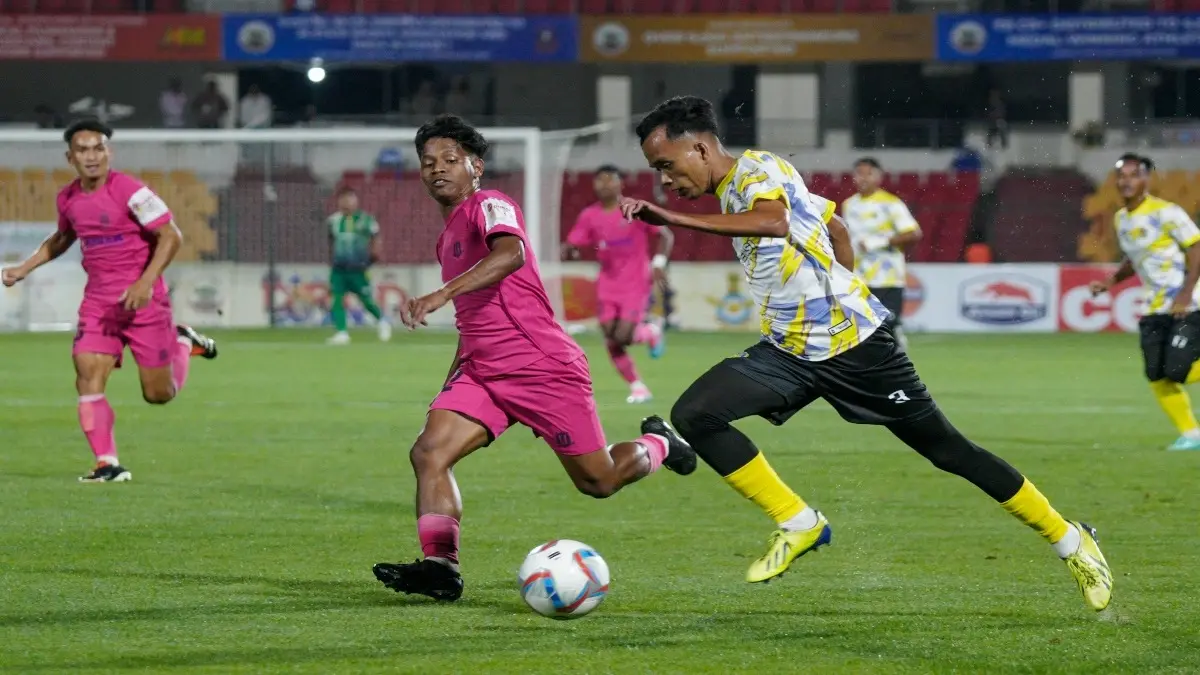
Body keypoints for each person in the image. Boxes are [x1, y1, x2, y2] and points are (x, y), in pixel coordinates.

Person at [623, 96, 1112, 611]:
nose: (665, 181)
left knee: (948, 451)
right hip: (791, 350)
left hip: (857, 350)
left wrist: (667, 217)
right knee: (697, 414)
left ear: (698, 147)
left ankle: (1071, 539)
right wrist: (845, 281)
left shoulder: (755, 171)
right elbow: (835, 227)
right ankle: (798, 522)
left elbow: (772, 223)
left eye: (666, 166)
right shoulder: (740, 186)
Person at [371, 115, 697, 602]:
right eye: (428, 163)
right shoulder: (447, 238)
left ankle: (659, 444)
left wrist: (439, 294)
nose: (437, 169)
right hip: (483, 372)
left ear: (476, 166)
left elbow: (511, 255)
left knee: (599, 481)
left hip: (541, 366)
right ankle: (441, 567)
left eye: (449, 160)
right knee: (429, 453)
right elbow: (474, 318)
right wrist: (451, 381)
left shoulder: (491, 204)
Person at [0, 118, 218, 482]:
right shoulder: (68, 198)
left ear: (108, 152)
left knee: (158, 394)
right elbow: (63, 237)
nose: (91, 156)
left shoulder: (132, 192)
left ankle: (183, 342)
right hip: (100, 304)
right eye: (83, 150)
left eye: (98, 148)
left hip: (145, 302)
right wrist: (25, 267)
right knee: (87, 374)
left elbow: (171, 236)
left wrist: (145, 283)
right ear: (70, 157)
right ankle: (107, 463)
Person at [1090, 153, 1200, 451]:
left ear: (1146, 179)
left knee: (1178, 371)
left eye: (1133, 175)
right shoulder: (1122, 218)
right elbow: (1134, 258)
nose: (1126, 181)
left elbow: (1196, 246)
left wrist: (1187, 293)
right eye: (1121, 176)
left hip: (1185, 303)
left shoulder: (1166, 212)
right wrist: (1109, 282)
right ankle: (1192, 434)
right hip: (1153, 305)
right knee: (1156, 374)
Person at [563, 164, 673, 403]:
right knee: (610, 337)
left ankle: (651, 332)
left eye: (610, 179)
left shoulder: (634, 209)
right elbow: (573, 243)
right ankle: (638, 386)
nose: (604, 184)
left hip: (635, 282)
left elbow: (665, 235)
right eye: (599, 180)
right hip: (607, 283)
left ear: (621, 183)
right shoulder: (589, 215)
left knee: (622, 335)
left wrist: (659, 262)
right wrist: (569, 250)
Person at [841, 157, 921, 351]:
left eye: (868, 173)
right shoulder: (848, 205)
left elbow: (914, 234)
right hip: (859, 276)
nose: (863, 178)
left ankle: (898, 361)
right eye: (859, 173)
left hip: (888, 276)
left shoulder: (891, 204)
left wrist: (880, 242)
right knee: (862, 329)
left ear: (878, 177)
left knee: (888, 325)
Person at [325, 186, 391, 345]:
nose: (346, 202)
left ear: (356, 201)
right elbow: (330, 241)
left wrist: (373, 258)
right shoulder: (333, 221)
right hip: (339, 269)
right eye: (343, 199)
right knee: (337, 299)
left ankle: (383, 320)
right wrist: (331, 260)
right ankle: (342, 332)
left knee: (366, 300)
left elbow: (376, 239)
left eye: (350, 198)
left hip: (359, 269)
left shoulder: (366, 220)